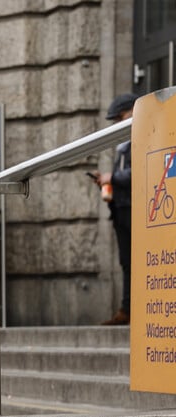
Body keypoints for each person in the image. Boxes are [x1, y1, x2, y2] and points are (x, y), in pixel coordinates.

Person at [97, 93, 136, 326]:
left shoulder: (143, 138)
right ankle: (127, 308)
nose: (117, 125)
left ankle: (135, 308)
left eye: (120, 118)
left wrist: (113, 177)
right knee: (126, 261)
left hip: (136, 209)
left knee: (139, 261)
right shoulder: (123, 147)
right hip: (121, 208)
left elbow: (141, 171)